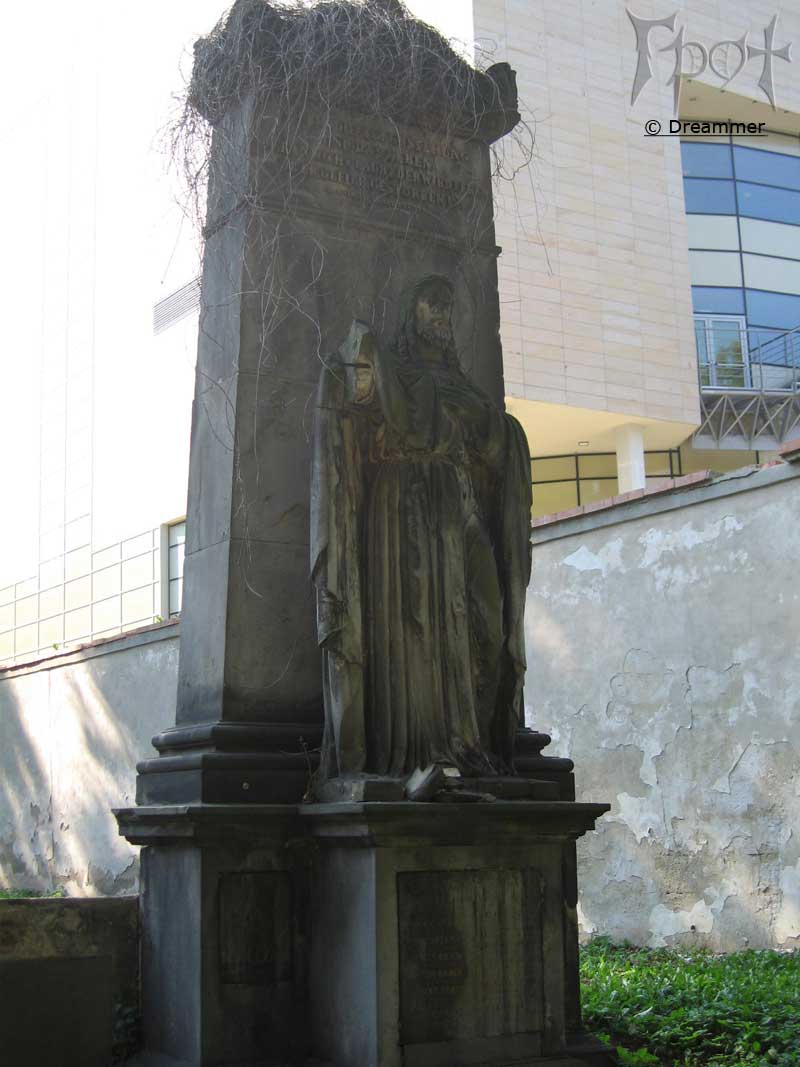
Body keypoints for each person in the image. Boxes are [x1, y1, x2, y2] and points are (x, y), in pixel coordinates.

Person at [310, 275, 531, 788]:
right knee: (417, 623)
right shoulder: (394, 371)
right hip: (405, 509)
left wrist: (499, 431)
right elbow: (352, 392)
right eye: (432, 305)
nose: (441, 315)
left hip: (460, 504)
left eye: (447, 307)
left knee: (486, 624)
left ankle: (470, 741)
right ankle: (423, 749)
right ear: (412, 313)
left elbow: (495, 444)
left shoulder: (461, 384)